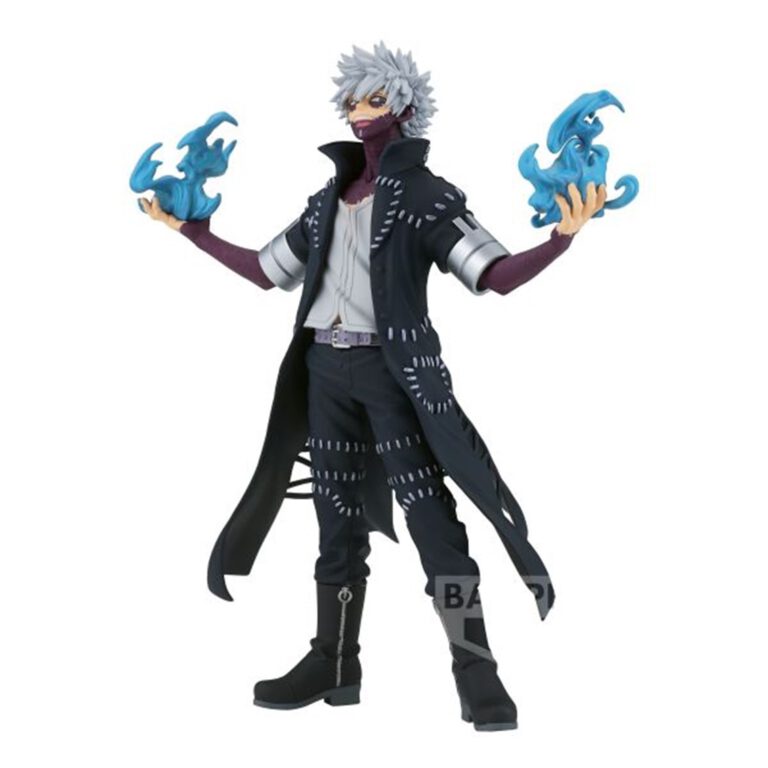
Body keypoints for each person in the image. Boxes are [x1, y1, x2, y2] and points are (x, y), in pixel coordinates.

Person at [139, 42, 605, 731]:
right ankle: (334, 662)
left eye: (375, 99)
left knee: (432, 522)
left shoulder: (426, 197)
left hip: (395, 376)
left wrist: (561, 239)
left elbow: (494, 275)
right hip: (323, 372)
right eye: (352, 100)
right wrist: (192, 233)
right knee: (334, 520)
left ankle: (476, 670)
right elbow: (269, 271)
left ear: (404, 107)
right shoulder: (327, 199)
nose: (359, 112)